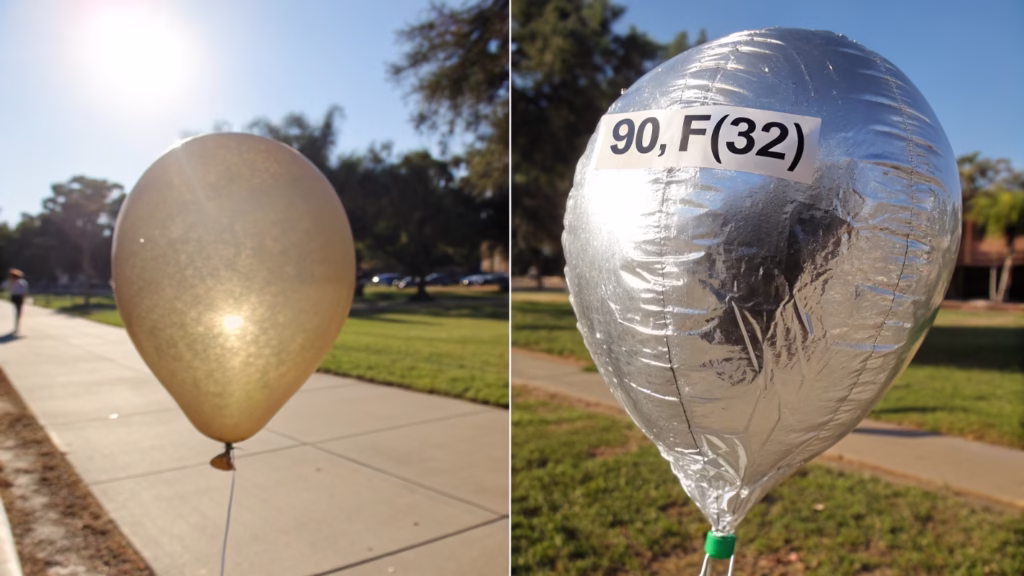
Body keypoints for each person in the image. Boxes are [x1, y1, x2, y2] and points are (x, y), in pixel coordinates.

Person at [7, 269, 28, 334]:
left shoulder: (19, 282)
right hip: (17, 297)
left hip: (17, 297)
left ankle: (16, 327)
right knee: (18, 312)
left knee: (18, 312)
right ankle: (16, 326)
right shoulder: (20, 282)